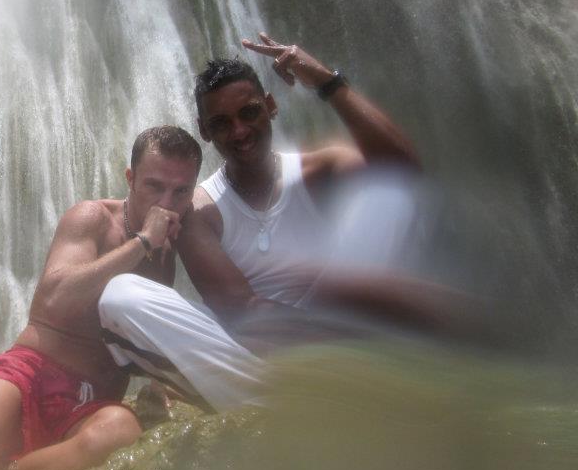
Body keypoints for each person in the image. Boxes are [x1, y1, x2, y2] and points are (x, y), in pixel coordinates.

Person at [99, 34, 471, 412]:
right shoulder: (198, 212)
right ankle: (339, 379)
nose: (239, 131)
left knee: (387, 200)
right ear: (205, 131)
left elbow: (401, 172)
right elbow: (246, 314)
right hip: (265, 355)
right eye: (222, 123)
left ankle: (339, 380)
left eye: (249, 113)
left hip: (343, 317)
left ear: (271, 106)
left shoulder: (318, 171)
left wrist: (327, 82)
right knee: (123, 295)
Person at [0, 126, 203, 470]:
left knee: (119, 432)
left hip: (93, 402)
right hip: (33, 373)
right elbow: (56, 295)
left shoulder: (173, 244)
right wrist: (142, 242)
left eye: (180, 191)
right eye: (154, 186)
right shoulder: (92, 218)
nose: (166, 203)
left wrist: (160, 382)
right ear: (131, 179)